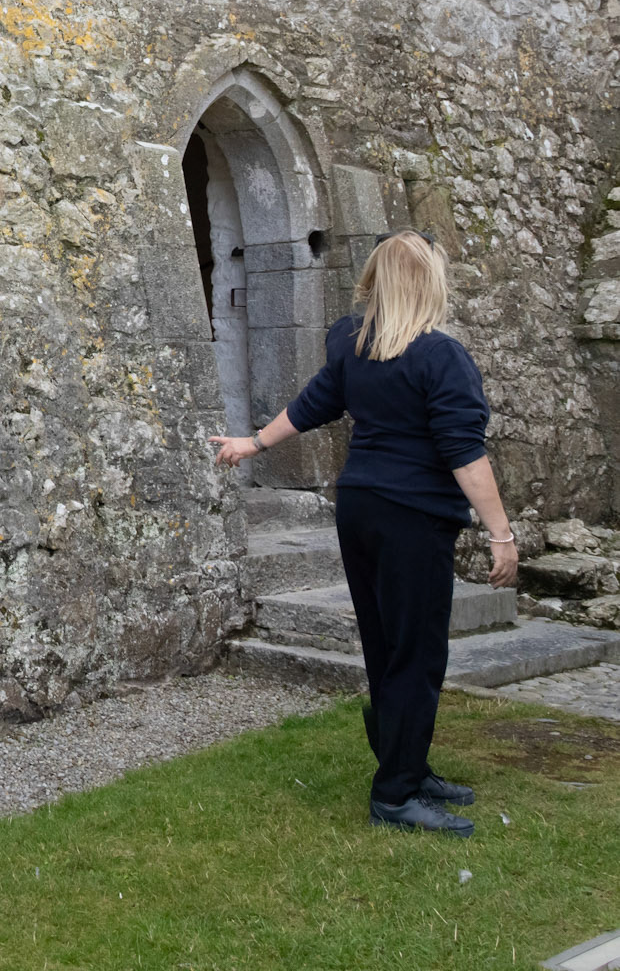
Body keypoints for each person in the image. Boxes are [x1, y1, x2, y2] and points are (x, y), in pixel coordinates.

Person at [211, 231, 518, 837]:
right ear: (429, 282)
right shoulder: (440, 356)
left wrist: (252, 442)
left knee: (387, 647)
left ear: (377, 280)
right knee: (417, 653)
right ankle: (395, 795)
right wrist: (502, 536)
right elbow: (465, 454)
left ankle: (408, 766)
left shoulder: (353, 344)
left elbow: (312, 404)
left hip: (361, 509)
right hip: (410, 518)